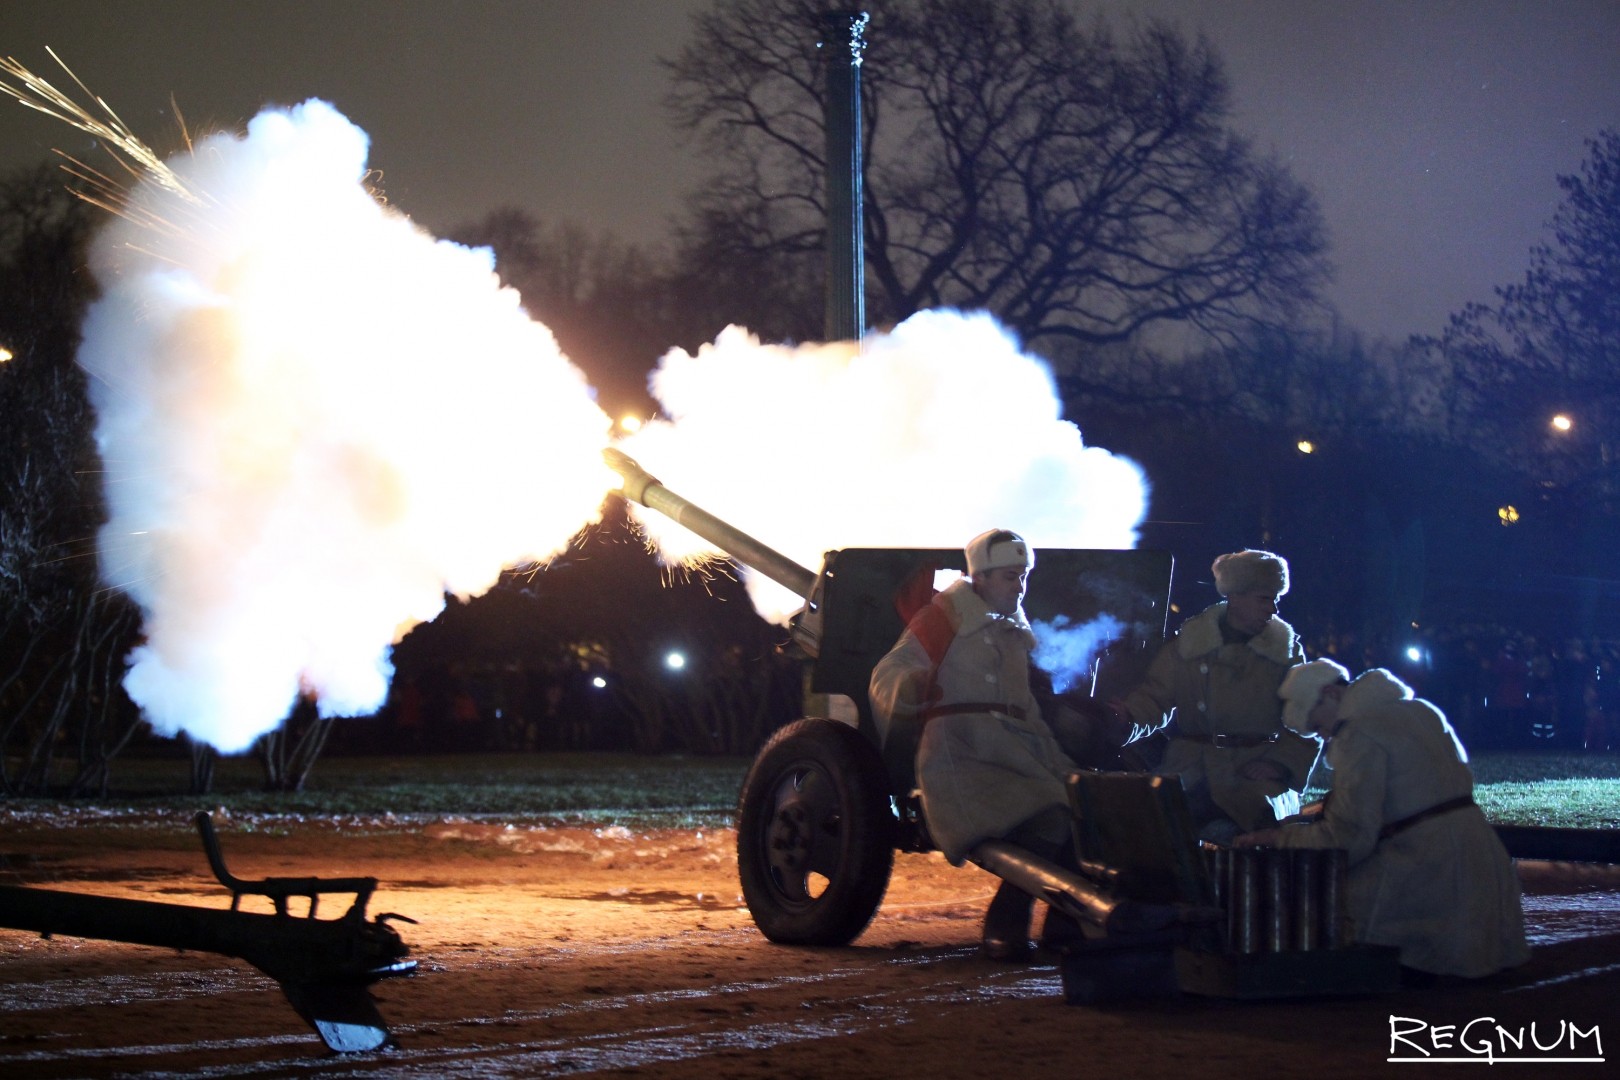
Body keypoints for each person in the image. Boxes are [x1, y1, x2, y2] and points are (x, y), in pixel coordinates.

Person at [1238, 659, 1529, 983]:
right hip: (1480, 854)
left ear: (1331, 694)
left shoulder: (1358, 734)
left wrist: (1282, 838)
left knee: (1326, 904)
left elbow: (1349, 837)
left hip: (1428, 868)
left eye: (1319, 725)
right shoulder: (1421, 711)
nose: (1323, 736)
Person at [869, 529, 1078, 961]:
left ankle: (1066, 926)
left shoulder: (1013, 633)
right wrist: (909, 687)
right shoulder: (943, 618)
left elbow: (1026, 712)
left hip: (1009, 754)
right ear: (979, 577)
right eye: (1008, 576)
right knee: (1051, 817)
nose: (1018, 586)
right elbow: (891, 670)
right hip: (959, 758)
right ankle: (1006, 924)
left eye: (1022, 577)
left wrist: (1061, 765)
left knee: (1077, 811)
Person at [1115, 549, 1317, 843]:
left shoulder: (1284, 655)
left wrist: (1280, 764)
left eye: (1275, 599)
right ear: (1236, 596)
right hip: (1188, 769)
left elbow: (1307, 716)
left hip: (1252, 778)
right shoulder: (1188, 647)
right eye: (1264, 598)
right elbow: (1154, 698)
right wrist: (1126, 716)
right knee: (1147, 828)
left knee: (1239, 838)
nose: (1272, 609)